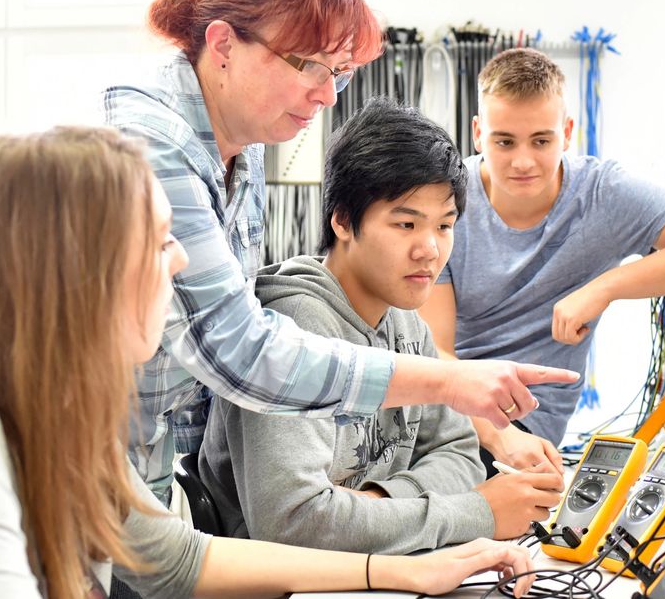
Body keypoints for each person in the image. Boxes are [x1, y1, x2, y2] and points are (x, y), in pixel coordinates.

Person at [0, 126, 536, 599]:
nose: (181, 259)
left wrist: (401, 569)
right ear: (74, 268)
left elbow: (182, 558)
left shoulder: (60, 421)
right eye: (159, 242)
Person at [103, 0, 575, 504]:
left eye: (340, 75)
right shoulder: (153, 146)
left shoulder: (247, 142)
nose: (327, 95)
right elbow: (239, 353)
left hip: (153, 471)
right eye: (307, 65)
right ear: (222, 46)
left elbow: (456, 454)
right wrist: (446, 383)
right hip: (88, 463)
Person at [198, 100, 563, 553]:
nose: (430, 250)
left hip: (383, 570)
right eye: (406, 223)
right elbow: (293, 524)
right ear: (343, 221)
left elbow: (462, 455)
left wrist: (374, 503)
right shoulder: (293, 328)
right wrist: (478, 513)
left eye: (445, 226)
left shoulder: (408, 321)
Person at [419, 48, 665, 475]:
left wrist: (606, 287)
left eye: (541, 141)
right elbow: (434, 354)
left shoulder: (602, 194)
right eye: (504, 141)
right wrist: (497, 435)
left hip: (525, 429)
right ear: (477, 133)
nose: (522, 160)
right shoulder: (448, 202)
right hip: (453, 411)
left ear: (567, 132)